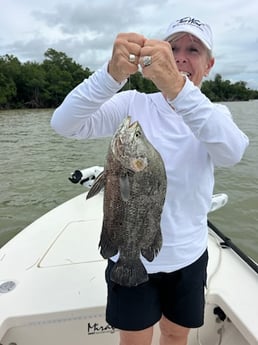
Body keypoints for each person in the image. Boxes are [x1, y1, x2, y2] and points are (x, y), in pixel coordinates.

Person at [51, 16, 249, 345]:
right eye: (173, 48)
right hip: (128, 253)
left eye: (193, 49)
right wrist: (110, 75)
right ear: (160, 55)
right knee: (135, 340)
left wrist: (178, 90)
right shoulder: (133, 105)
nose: (182, 56)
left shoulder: (215, 116)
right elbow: (64, 124)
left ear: (209, 64)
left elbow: (232, 152)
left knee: (174, 336)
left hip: (188, 257)